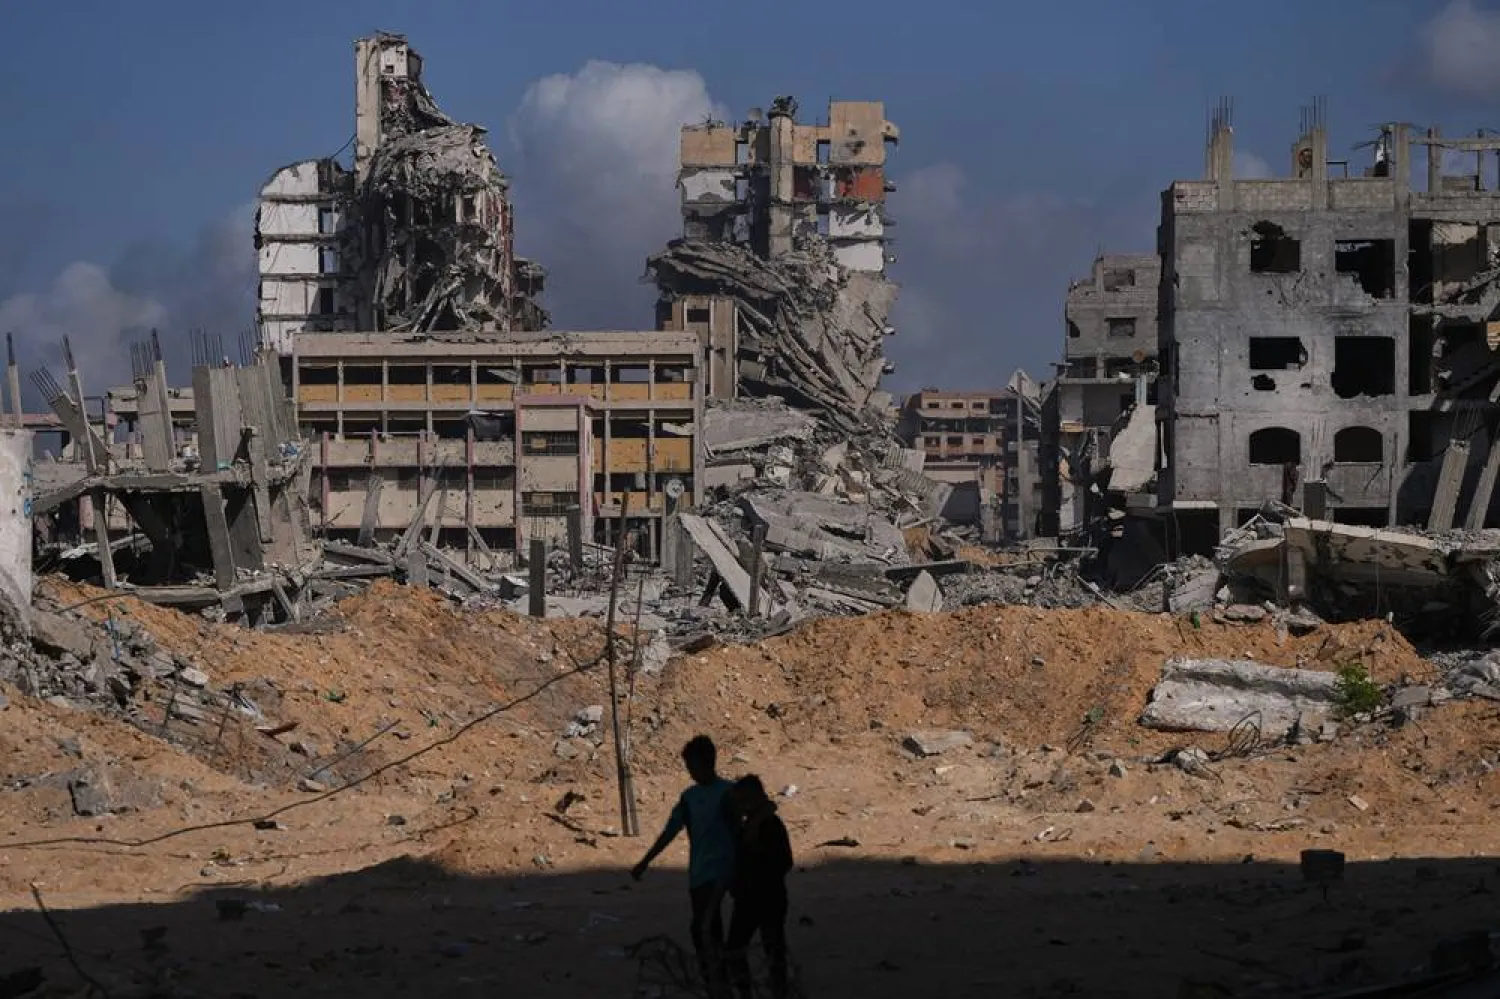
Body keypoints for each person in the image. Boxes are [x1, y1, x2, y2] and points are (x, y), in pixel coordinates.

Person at [632, 735, 737, 989]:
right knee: (707, 929)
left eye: (692, 766)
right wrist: (646, 860)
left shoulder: (729, 793)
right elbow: (670, 831)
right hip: (701, 875)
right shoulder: (690, 797)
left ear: (706, 763)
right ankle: (717, 979)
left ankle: (717, 981)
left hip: (717, 873)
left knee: (705, 930)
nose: (690, 772)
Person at [723, 775, 793, 998]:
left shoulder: (770, 826)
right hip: (749, 898)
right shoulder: (745, 827)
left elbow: (784, 862)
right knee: (739, 949)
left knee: (772, 949)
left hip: (766, 897)